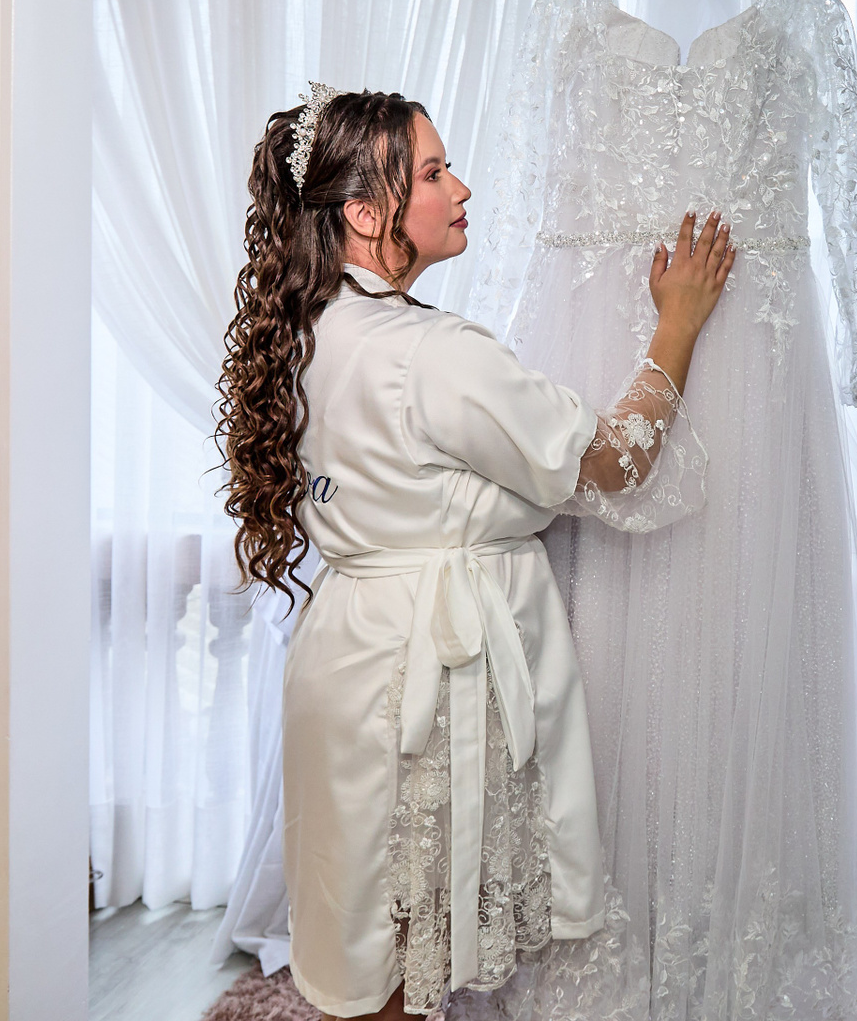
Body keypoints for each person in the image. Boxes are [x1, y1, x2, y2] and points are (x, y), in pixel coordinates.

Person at [215, 83, 734, 1020]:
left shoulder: (303, 328)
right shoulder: (433, 353)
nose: (459, 189)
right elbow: (615, 462)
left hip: (345, 651)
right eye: (432, 173)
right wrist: (678, 325)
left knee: (366, 948)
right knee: (403, 960)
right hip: (423, 674)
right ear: (364, 212)